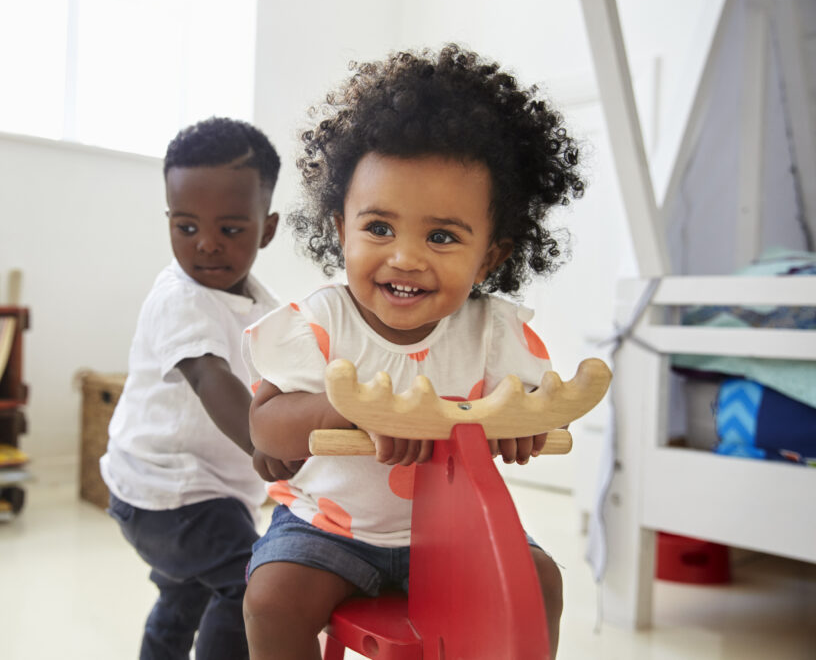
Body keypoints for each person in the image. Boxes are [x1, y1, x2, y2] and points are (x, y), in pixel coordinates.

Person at [241, 45, 584, 660]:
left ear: (492, 255)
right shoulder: (321, 322)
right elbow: (264, 424)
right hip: (332, 531)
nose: (405, 256)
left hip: (456, 533)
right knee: (272, 599)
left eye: (442, 236)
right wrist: (348, 413)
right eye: (378, 228)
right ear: (340, 228)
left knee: (539, 582)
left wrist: (523, 425)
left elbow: (533, 403)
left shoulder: (492, 330)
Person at [100, 116, 297, 660]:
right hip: (164, 493)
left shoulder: (265, 303)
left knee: (183, 595)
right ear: (169, 220)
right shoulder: (180, 299)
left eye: (230, 229)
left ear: (269, 228)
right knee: (247, 587)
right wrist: (266, 445)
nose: (206, 245)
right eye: (186, 227)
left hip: (210, 491)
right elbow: (211, 377)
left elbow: (295, 371)